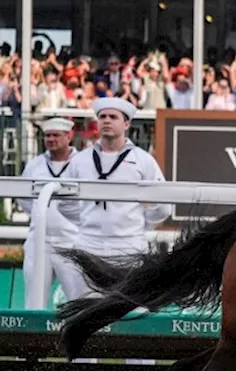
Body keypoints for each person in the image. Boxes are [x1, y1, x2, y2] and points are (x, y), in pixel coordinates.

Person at [55, 97, 172, 302]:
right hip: (88, 243)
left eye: (113, 117)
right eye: (102, 117)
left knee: (128, 306)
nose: (106, 120)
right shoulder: (80, 160)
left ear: (126, 124)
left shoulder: (143, 160)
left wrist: (140, 225)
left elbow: (162, 206)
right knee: (84, 305)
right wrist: (87, 222)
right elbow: (65, 203)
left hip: (128, 244)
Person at [17, 116, 80, 305]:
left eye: (56, 135)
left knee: (78, 297)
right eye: (47, 136)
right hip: (39, 240)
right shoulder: (34, 164)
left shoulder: (81, 163)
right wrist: (40, 215)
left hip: (72, 239)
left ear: (69, 136)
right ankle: (34, 335)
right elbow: (23, 198)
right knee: (34, 299)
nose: (51, 139)